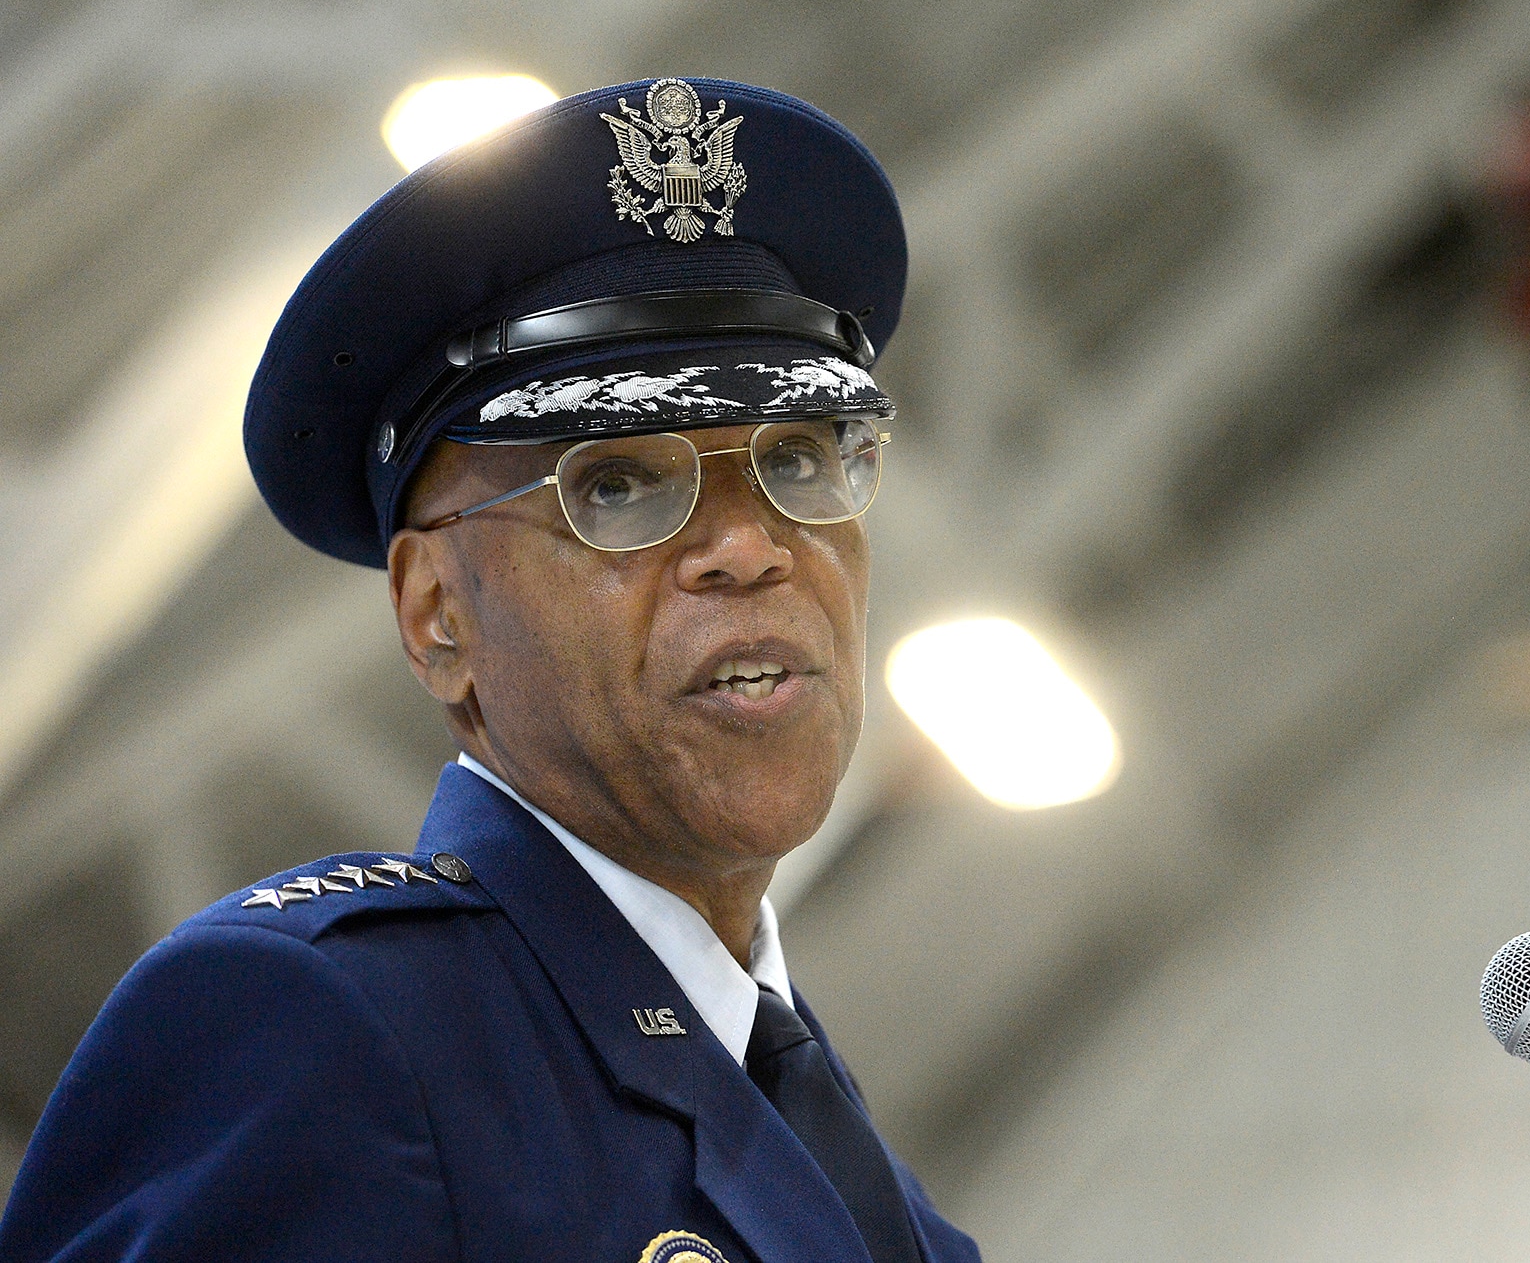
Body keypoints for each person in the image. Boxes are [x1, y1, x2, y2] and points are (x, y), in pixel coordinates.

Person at [0, 77, 981, 1263]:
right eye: (616, 485)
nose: (746, 546)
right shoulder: (331, 1029)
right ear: (435, 616)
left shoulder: (857, 1172)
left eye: (800, 457)